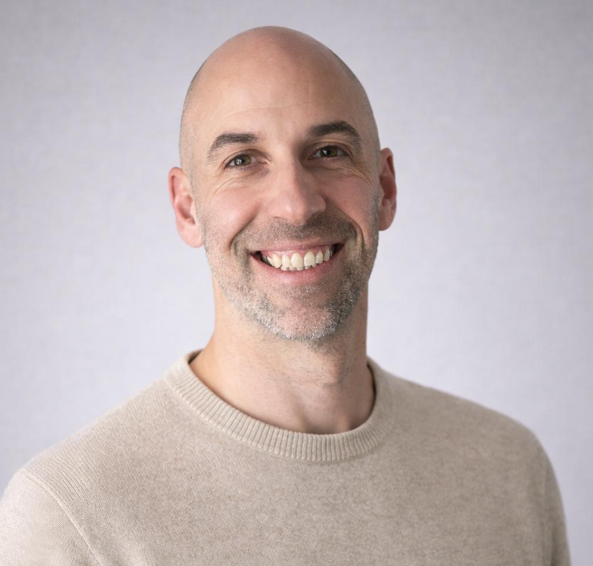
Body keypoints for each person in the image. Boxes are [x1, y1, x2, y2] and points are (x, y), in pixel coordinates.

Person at [0, 26, 570, 565]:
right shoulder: (68, 518)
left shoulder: (508, 471)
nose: (297, 206)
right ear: (187, 208)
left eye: (329, 152)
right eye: (242, 161)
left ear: (386, 187)